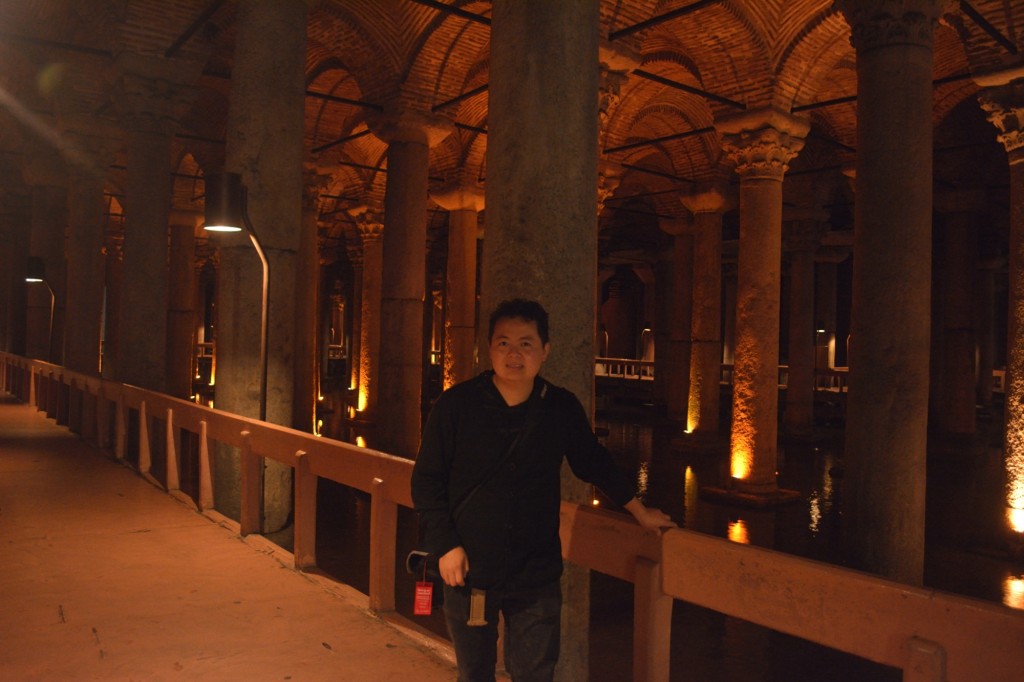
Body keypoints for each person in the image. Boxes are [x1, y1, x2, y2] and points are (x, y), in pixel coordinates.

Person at [411, 298, 676, 682]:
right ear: (489, 349)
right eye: (503, 343)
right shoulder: (457, 406)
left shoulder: (559, 408)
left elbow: (593, 462)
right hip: (469, 568)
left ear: (545, 351)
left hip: (535, 571)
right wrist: (447, 545)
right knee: (474, 672)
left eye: (526, 343)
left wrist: (639, 511)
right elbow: (426, 480)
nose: (514, 354)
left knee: (536, 672)